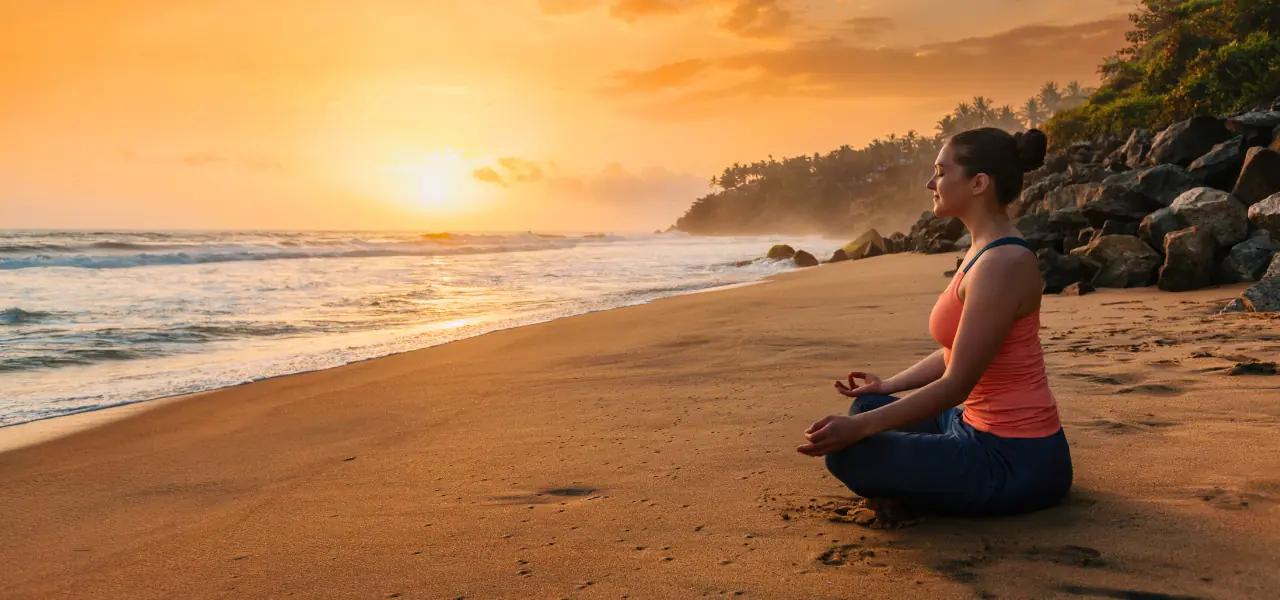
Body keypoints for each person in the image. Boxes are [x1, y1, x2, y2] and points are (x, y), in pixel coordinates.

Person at [796, 127, 1072, 520]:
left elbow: (957, 385)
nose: (931, 183)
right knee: (867, 404)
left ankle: (925, 493)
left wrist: (860, 430)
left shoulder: (1003, 265)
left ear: (978, 183)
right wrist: (889, 385)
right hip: (969, 426)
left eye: (941, 172)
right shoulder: (982, 250)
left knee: (849, 452)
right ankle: (921, 481)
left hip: (1015, 458)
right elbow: (956, 351)